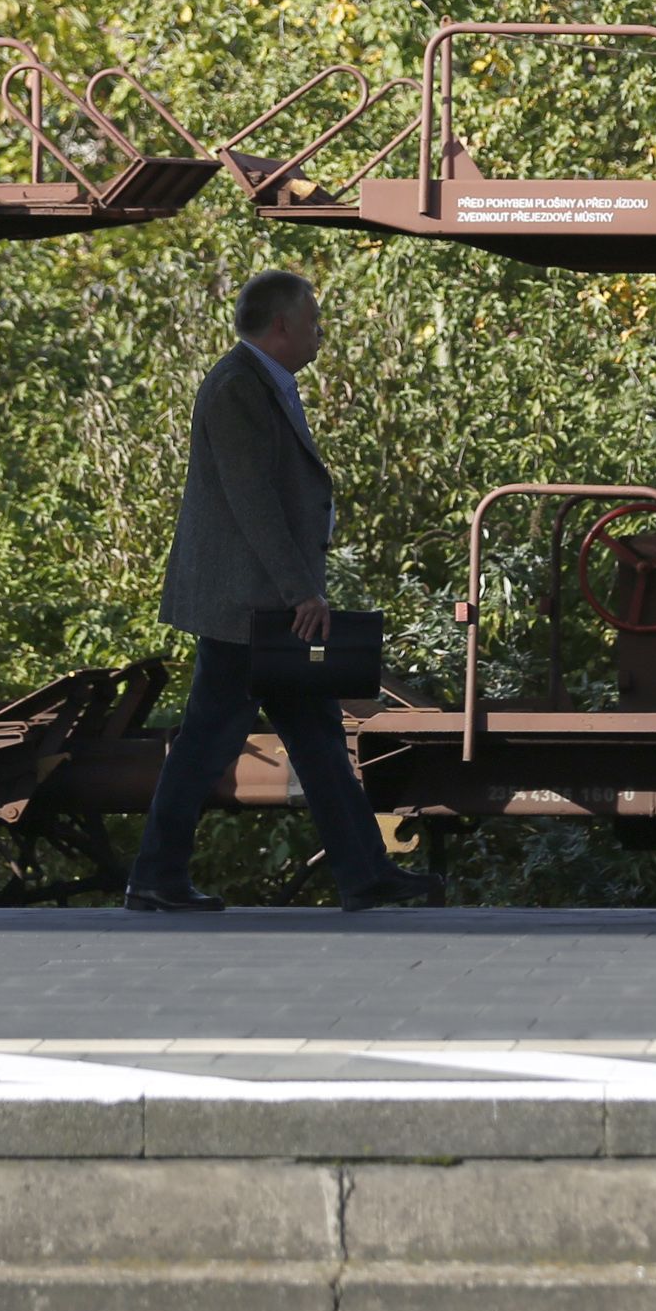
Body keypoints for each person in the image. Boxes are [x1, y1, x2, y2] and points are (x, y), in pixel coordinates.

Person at [126, 268, 442, 913]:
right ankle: (156, 876)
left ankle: (362, 874)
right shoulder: (238, 387)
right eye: (313, 321)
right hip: (249, 606)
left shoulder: (261, 382)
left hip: (266, 603)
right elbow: (253, 503)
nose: (321, 332)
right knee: (210, 742)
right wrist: (302, 591)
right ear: (281, 326)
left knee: (317, 737)